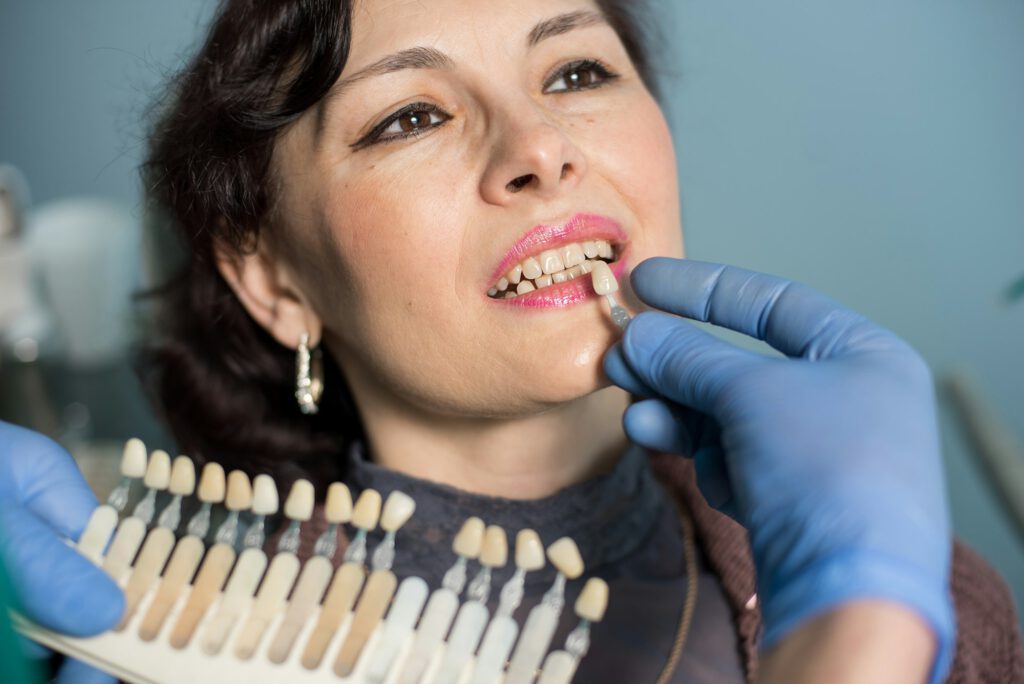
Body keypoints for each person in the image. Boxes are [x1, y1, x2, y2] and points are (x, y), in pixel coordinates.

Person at [1, 1, 1021, 682]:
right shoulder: (181, 654)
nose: (539, 147)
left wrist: (890, 615)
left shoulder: (929, 591)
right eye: (409, 116)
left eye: (576, 70)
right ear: (274, 281)